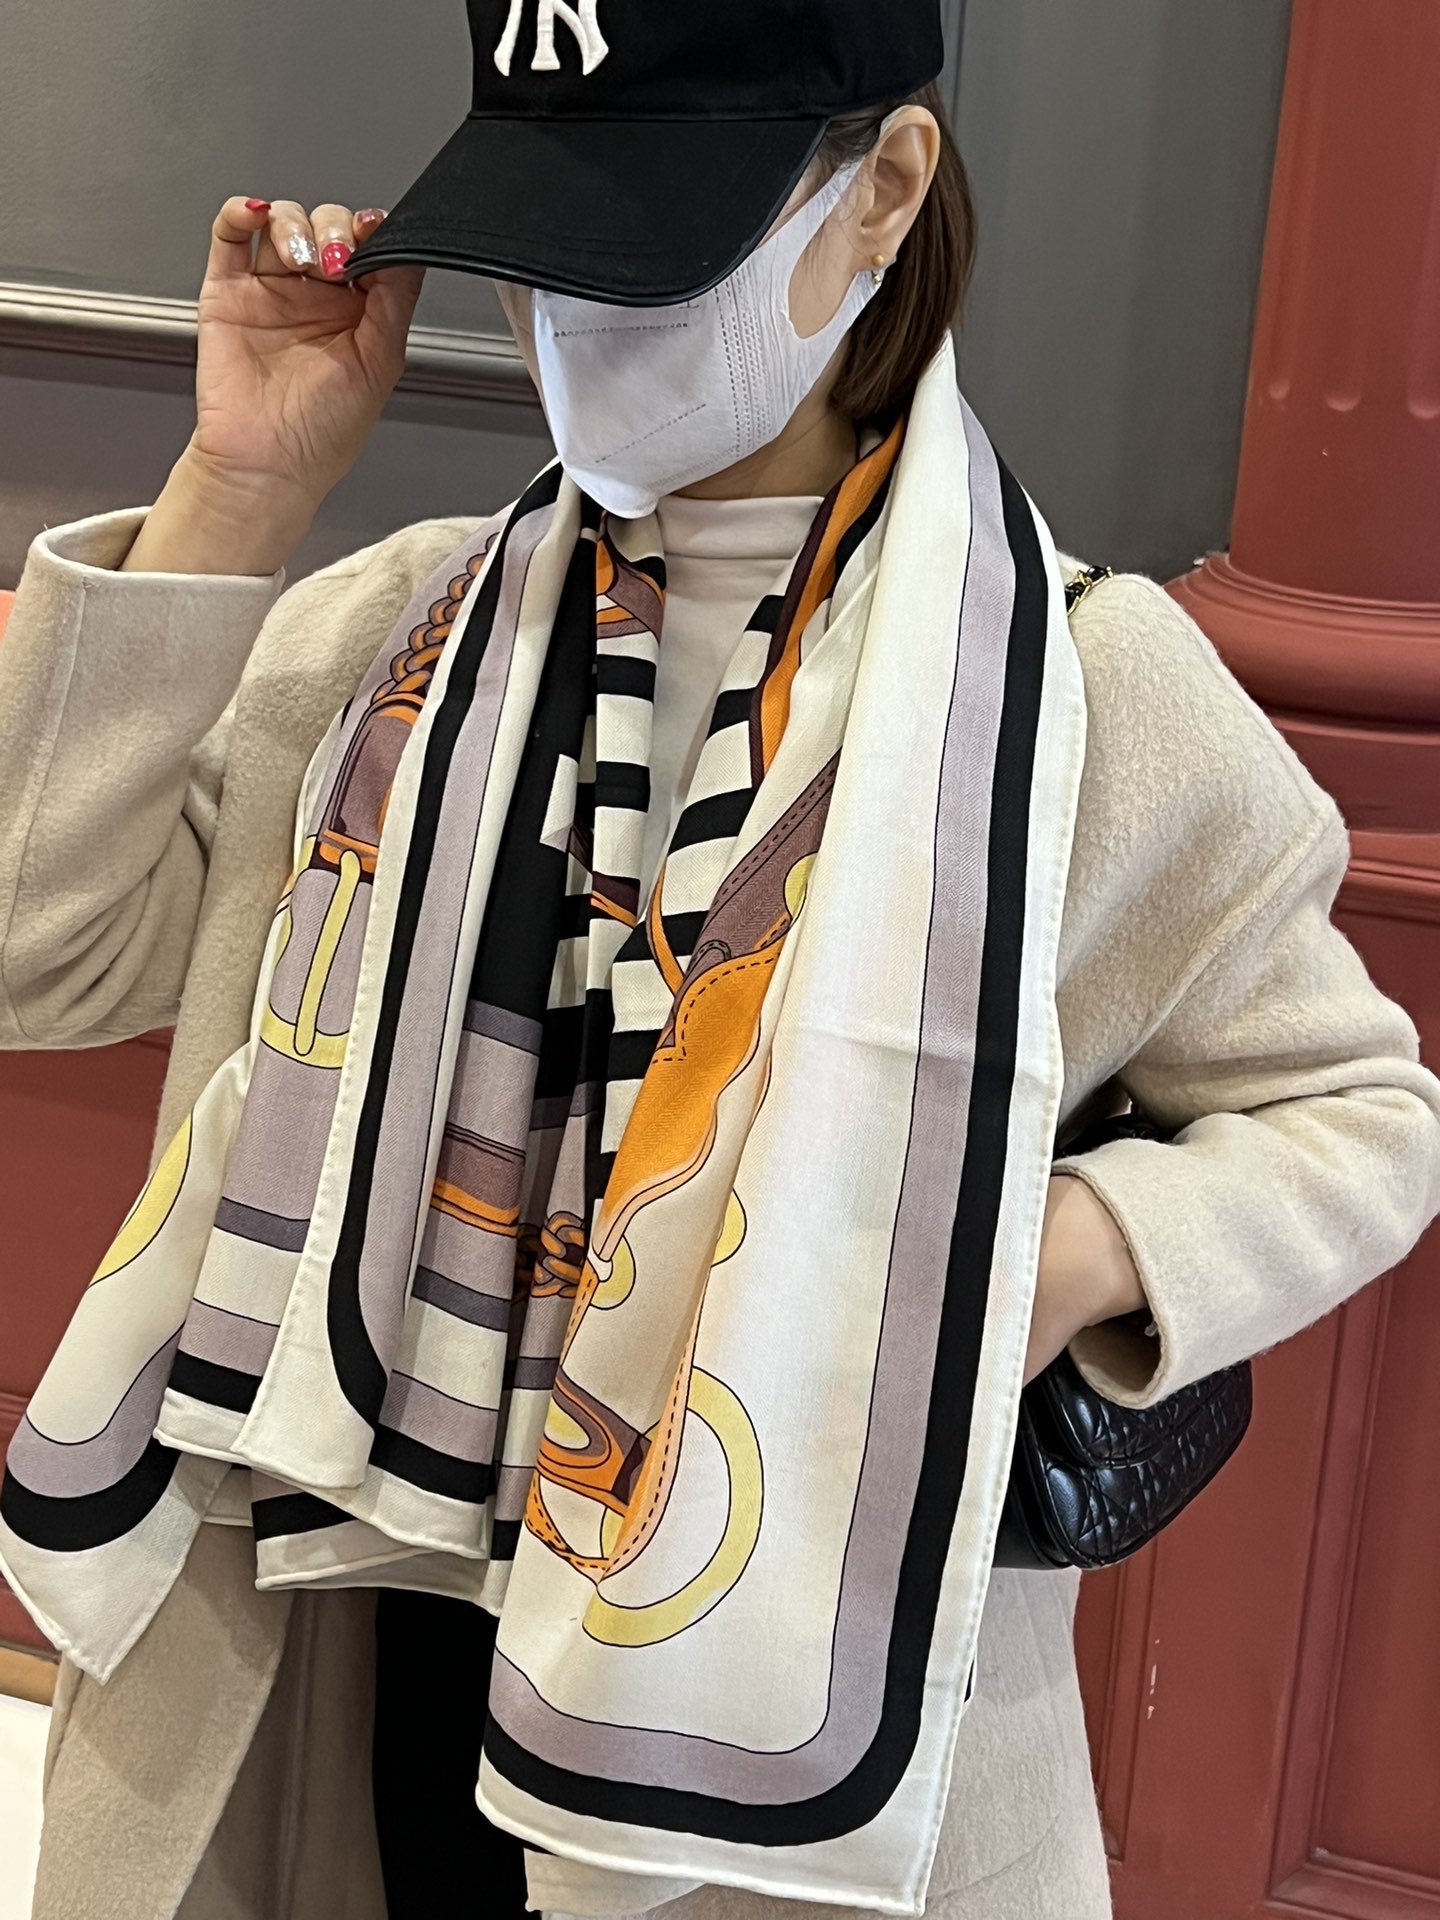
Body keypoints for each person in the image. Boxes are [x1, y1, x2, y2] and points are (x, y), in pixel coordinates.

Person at [1, 3, 1437, 1918]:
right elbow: (38, 956)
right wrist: (242, 484)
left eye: (646, 249)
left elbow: (1359, 1115)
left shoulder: (1075, 701)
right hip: (355, 1599)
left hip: (775, 1671)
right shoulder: (391, 638)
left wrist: (1053, 1258)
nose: (570, 323)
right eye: (537, 255)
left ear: (885, 192)